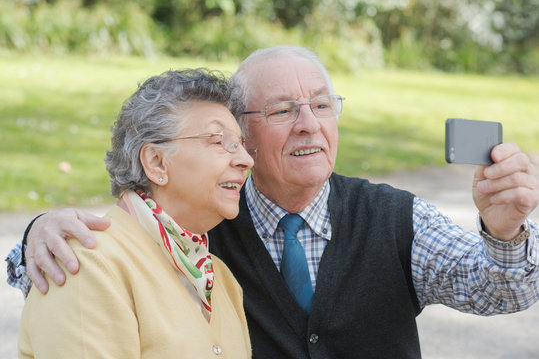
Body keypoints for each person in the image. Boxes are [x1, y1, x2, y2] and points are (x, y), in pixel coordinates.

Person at [7, 46, 539, 358]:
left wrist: (506, 233)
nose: (309, 124)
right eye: (283, 110)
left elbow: (502, 293)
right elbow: (108, 254)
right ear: (245, 137)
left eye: (322, 105)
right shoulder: (203, 225)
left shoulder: (396, 218)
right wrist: (35, 235)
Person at [17, 69, 253, 358]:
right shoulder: (88, 264)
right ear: (156, 163)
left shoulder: (220, 278)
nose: (245, 159)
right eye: (219, 141)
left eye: (240, 144)